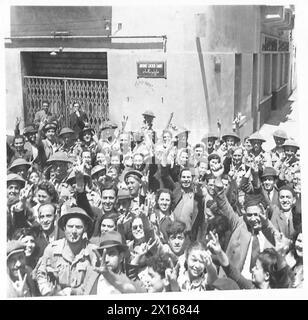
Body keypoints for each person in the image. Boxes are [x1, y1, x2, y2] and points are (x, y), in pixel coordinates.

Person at [35, 207, 97, 296]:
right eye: (70, 227)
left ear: (85, 228)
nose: (74, 231)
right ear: (64, 228)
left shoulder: (92, 252)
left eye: (79, 227)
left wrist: (72, 292)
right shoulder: (52, 249)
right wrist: (48, 292)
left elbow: (94, 282)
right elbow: (41, 274)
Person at [207, 231, 292, 289]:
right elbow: (230, 270)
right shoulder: (251, 287)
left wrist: (280, 255)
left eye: (257, 268)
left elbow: (284, 276)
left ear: (266, 275)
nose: (252, 269)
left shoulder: (279, 290)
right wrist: (219, 251)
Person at [81, 231, 146, 295]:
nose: (106, 259)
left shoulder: (129, 280)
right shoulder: (91, 276)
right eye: (103, 254)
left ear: (120, 257)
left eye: (111, 254)